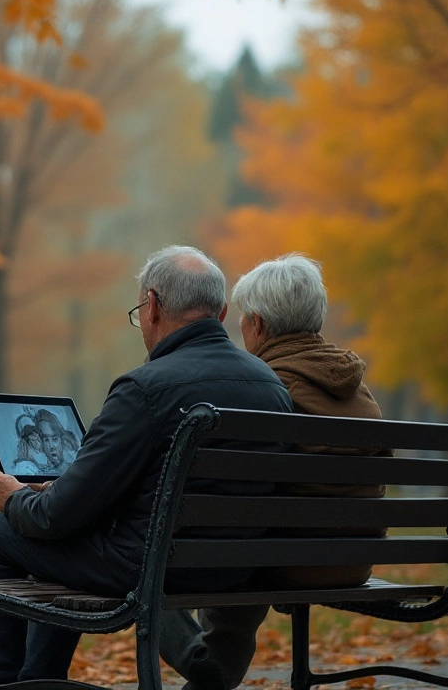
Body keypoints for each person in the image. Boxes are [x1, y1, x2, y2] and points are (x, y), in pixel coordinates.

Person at [0, 246, 293, 689]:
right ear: (220, 311)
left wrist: (15, 498)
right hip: (235, 570)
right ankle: (36, 675)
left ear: (152, 305)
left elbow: (57, 516)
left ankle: (5, 684)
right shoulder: (271, 386)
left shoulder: (145, 388)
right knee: (54, 530)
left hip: (145, 568)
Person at [159, 252, 388, 690]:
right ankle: (208, 676)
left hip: (289, 561)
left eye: (244, 318)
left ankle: (203, 669)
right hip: (353, 562)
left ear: (258, 325)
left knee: (157, 558)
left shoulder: (266, 387)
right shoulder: (360, 390)